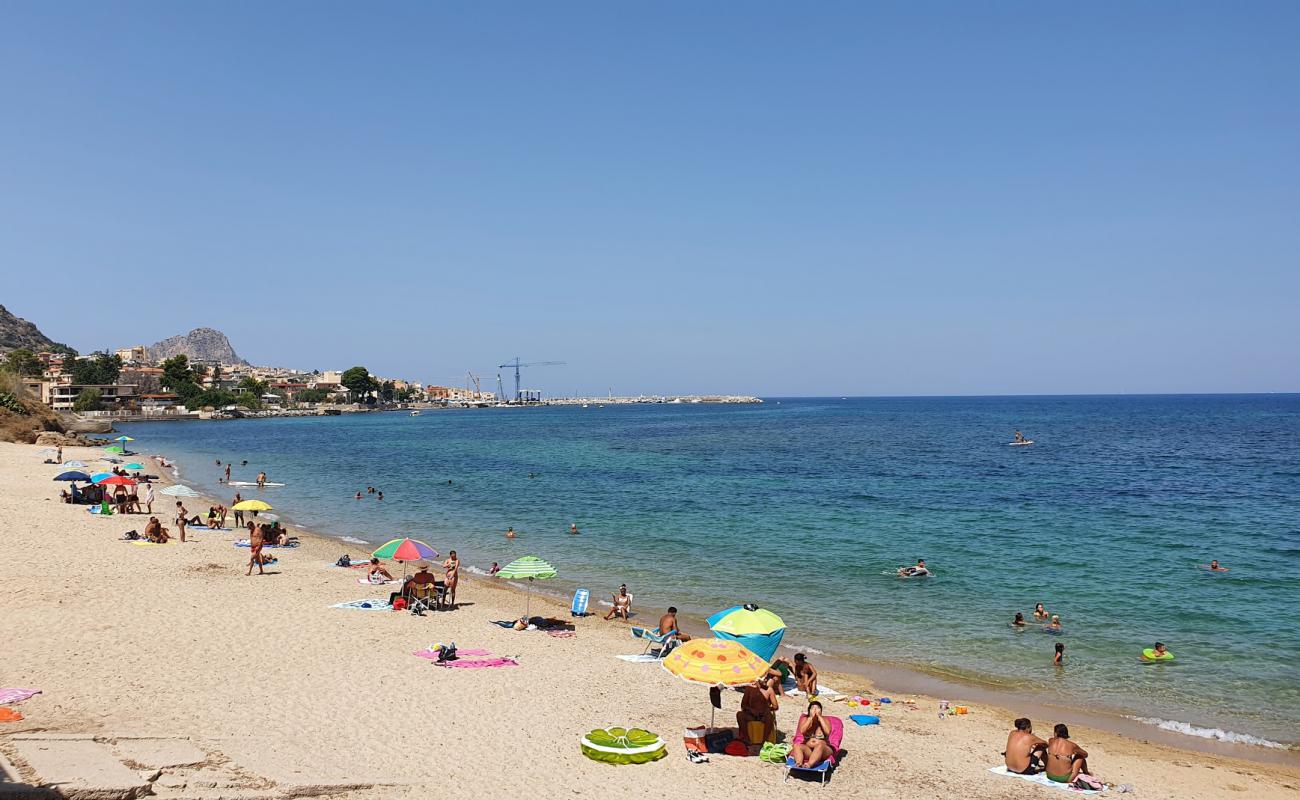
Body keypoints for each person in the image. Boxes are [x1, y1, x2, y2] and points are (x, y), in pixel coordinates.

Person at [789, 700, 834, 768]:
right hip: (809, 751)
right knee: (797, 746)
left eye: (818, 708)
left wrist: (819, 717)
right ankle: (799, 763)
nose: (815, 710)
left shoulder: (825, 720)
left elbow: (827, 732)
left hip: (823, 751)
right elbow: (802, 731)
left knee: (820, 745)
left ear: (821, 710)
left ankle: (809, 764)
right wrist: (810, 718)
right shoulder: (805, 719)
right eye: (813, 708)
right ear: (809, 710)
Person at [736, 675, 779, 744]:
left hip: (764, 715)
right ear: (758, 680)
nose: (766, 680)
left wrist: (766, 710)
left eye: (767, 679)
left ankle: (764, 740)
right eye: (764, 679)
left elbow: (775, 706)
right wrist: (751, 710)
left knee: (769, 717)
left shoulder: (769, 690)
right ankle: (747, 738)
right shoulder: (750, 688)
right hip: (751, 714)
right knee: (739, 715)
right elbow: (743, 705)